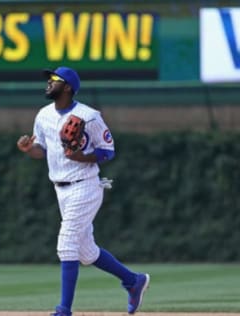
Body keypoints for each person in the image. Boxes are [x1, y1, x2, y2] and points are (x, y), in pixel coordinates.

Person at [17, 66, 150, 316]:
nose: (48, 83)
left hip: (85, 185)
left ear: (67, 87)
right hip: (61, 189)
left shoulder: (89, 116)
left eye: (53, 79)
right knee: (86, 253)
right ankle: (134, 281)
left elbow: (108, 151)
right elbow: (41, 150)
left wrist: (81, 156)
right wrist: (28, 149)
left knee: (66, 244)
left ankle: (63, 310)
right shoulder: (43, 115)